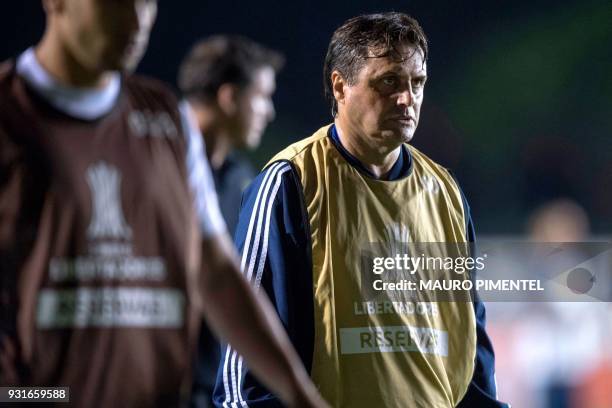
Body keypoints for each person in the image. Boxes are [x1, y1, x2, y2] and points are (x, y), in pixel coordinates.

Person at [0, 1, 327, 407]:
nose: (137, 18)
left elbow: (216, 271)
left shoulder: (167, 121)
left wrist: (299, 393)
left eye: (147, 2)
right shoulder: (9, 111)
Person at [214, 12, 509, 408]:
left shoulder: (446, 193)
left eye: (416, 83)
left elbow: (470, 343)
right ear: (340, 86)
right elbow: (244, 348)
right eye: (388, 82)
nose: (407, 99)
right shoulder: (291, 183)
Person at [177, 35, 284, 407]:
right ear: (229, 97)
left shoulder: (242, 180)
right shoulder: (152, 161)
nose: (268, 112)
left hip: (211, 387)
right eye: (262, 96)